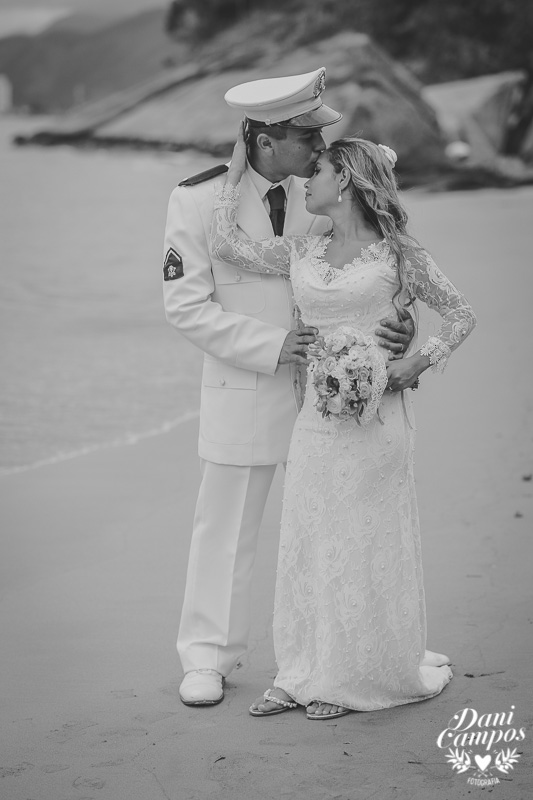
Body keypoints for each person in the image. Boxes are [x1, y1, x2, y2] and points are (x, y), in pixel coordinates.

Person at [163, 68, 415, 706]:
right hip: (245, 390)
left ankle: (356, 653)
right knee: (225, 527)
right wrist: (271, 347)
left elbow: (376, 264)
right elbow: (186, 307)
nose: (319, 150)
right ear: (267, 140)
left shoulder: (327, 192)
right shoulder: (196, 201)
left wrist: (397, 327)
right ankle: (208, 658)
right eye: (308, 136)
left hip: (333, 403)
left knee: (338, 528)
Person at [210, 125, 477, 719]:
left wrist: (414, 363)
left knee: (363, 539)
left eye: (320, 170)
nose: (308, 178)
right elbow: (227, 244)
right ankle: (298, 670)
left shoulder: (400, 253)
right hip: (316, 419)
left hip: (378, 419)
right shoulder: (302, 250)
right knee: (309, 536)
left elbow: (460, 314)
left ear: (348, 180)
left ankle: (347, 677)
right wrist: (234, 172)